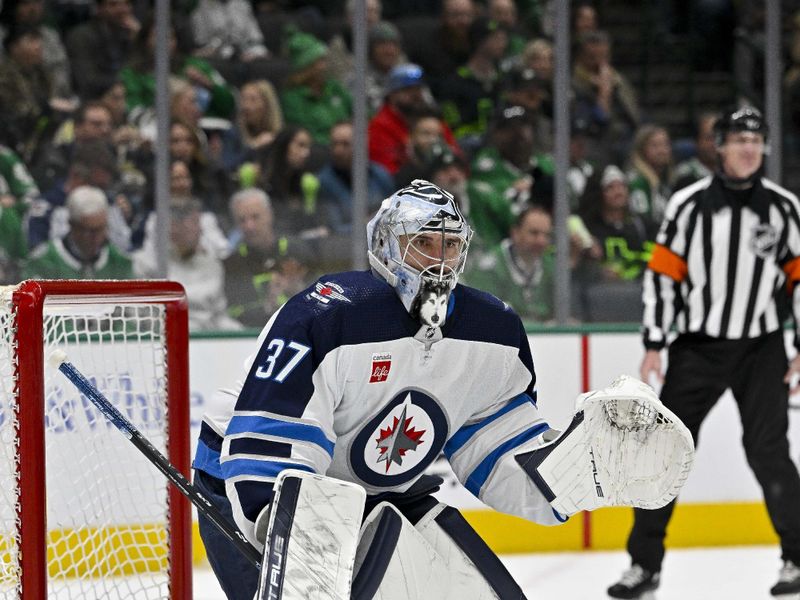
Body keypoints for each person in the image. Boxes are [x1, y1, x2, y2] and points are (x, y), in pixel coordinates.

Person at [193, 179, 687, 599]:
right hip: (247, 489)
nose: (440, 260)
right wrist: (289, 538)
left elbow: (495, 456)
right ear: (387, 246)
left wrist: (577, 470)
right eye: (424, 243)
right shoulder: (328, 315)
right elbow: (268, 449)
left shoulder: (491, 330)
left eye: (450, 245)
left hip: (380, 494)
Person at [607, 106, 800, 599]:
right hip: (698, 347)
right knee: (663, 451)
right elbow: (664, 276)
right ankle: (643, 565)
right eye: (739, 140)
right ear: (719, 147)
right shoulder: (689, 205)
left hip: (762, 347)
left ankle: (797, 558)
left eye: (756, 141)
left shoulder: (782, 208)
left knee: (769, 452)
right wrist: (654, 341)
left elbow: (799, 281)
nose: (749, 149)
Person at [223, 188, 314, 328]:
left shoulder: (297, 250)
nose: (249, 226)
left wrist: (299, 290)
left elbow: (326, 298)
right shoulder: (232, 263)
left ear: (270, 215)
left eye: (255, 217)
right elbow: (234, 313)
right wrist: (268, 305)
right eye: (242, 220)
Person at [464, 204, 556, 322]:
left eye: (546, 235)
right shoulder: (488, 268)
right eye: (534, 233)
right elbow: (484, 317)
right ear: (515, 233)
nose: (541, 241)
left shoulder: (552, 267)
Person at [22, 185, 133, 279]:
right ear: (72, 225)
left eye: (101, 229)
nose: (96, 237)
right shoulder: (44, 262)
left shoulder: (120, 262)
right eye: (89, 231)